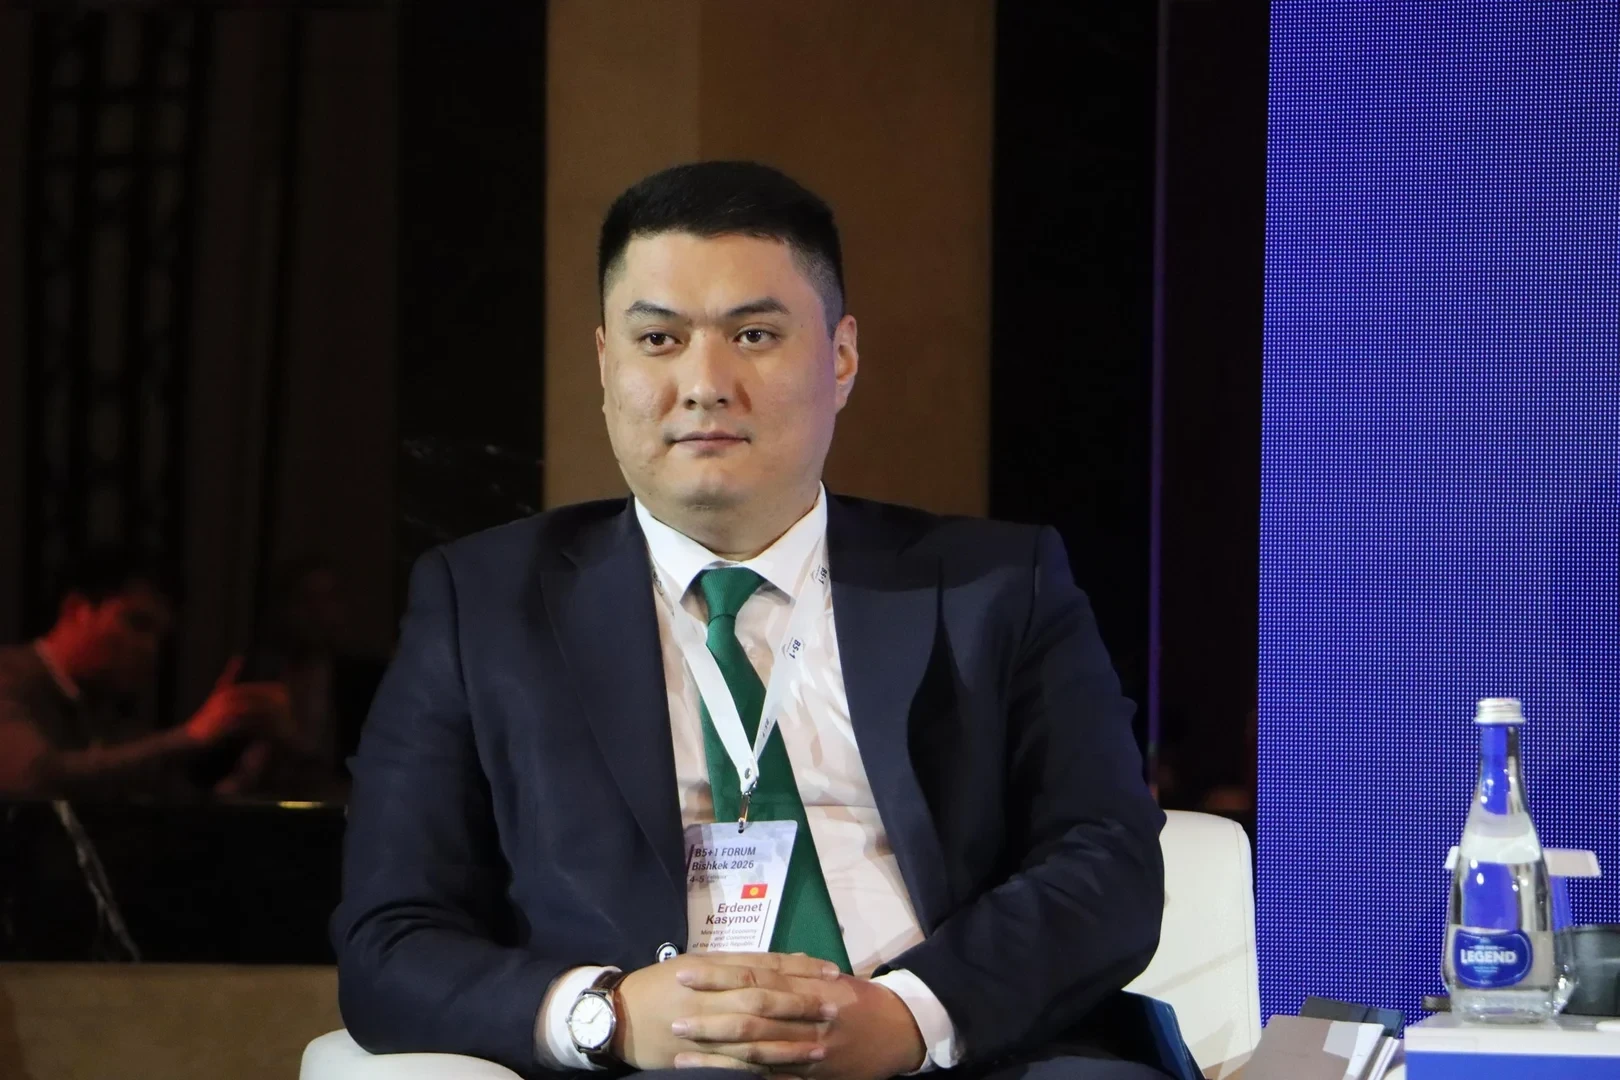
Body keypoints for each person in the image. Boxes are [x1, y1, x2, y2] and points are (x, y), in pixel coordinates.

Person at [334, 162, 1170, 1080]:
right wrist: (607, 1016)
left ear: (841, 359)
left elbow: (1108, 861)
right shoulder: (483, 604)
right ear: (606, 364)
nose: (705, 383)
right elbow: (389, 940)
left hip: (949, 1058)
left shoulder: (996, 584)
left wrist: (911, 1015)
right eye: (659, 339)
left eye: (755, 335)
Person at [0, 549, 287, 799]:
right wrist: (191, 735)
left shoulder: (104, 705)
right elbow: (30, 779)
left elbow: (169, 792)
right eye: (136, 623)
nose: (150, 648)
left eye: (159, 637)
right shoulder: (9, 675)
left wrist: (245, 742)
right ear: (76, 609)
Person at [208, 556, 386, 800]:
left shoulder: (365, 681)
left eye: (329, 599)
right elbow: (213, 766)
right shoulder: (255, 675)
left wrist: (290, 740)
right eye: (306, 599)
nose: (318, 611)